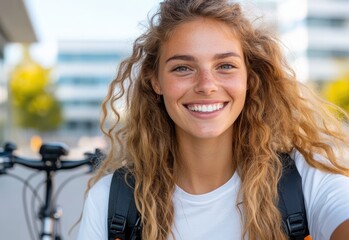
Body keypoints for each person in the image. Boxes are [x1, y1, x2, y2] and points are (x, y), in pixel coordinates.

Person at [77, 0, 349, 239]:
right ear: (155, 80)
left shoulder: (307, 178)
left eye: (225, 66)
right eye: (183, 68)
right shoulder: (110, 201)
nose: (206, 85)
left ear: (249, 78)